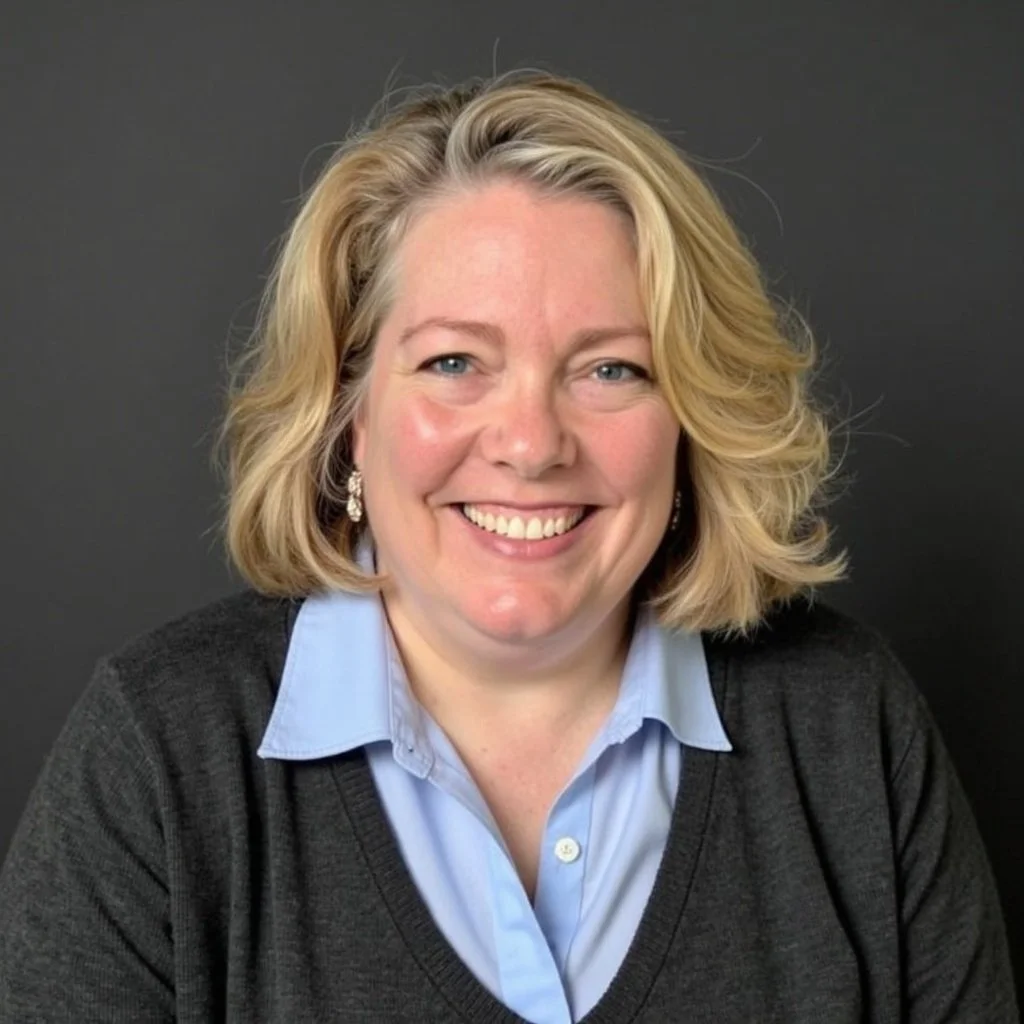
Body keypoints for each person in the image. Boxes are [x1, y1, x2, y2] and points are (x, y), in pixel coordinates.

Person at [0, 68, 1017, 1024]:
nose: (530, 444)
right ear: (351, 411)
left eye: (611, 369)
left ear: (691, 419)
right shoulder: (158, 757)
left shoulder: (846, 727)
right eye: (453, 361)